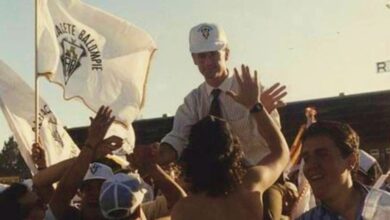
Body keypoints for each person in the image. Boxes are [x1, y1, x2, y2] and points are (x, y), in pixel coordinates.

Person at [156, 23, 287, 166]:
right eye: (202, 56)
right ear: (194, 59)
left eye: (213, 54)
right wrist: (158, 155)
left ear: (227, 54)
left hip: (260, 175)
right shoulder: (193, 102)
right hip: (215, 181)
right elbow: (178, 138)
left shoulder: (251, 90)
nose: (208, 62)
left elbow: (275, 144)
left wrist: (261, 113)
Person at [171, 66, 290, 220]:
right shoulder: (251, 185)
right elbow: (281, 151)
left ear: (191, 157)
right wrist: (256, 107)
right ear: (235, 151)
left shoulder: (184, 210)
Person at [49, 106, 123, 220]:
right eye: (88, 188)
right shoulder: (71, 217)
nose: (93, 193)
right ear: (80, 193)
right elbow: (62, 196)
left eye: (101, 187)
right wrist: (90, 144)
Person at [298, 121, 371, 219]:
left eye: (322, 155)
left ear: (351, 161)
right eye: (306, 159)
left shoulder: (384, 206)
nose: (311, 165)